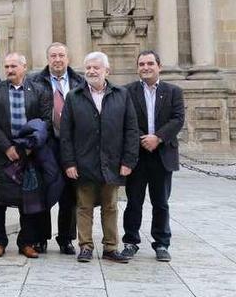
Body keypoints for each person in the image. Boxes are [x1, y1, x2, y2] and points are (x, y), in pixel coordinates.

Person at [60, 51, 139, 264]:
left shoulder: (122, 94)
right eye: (88, 68)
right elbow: (66, 134)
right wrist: (69, 162)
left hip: (112, 162)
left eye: (96, 67)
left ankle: (111, 248)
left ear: (107, 70)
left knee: (110, 207)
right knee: (84, 207)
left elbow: (131, 130)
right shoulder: (74, 96)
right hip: (84, 162)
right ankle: (85, 246)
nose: (91, 71)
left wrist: (128, 161)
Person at [0, 52, 52, 258]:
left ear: (24, 67)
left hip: (29, 154)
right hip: (1, 153)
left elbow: (46, 121)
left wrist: (28, 146)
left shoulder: (39, 90)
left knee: (28, 200)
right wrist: (7, 147)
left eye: (13, 66)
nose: (9, 70)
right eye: (6, 67)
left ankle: (27, 242)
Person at [121, 50, 184, 262]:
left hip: (162, 154)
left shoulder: (174, 91)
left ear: (159, 66)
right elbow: (126, 121)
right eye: (141, 64)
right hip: (137, 156)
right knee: (133, 202)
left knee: (161, 202)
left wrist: (157, 138)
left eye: (149, 63)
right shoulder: (127, 91)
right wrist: (143, 139)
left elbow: (177, 119)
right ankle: (130, 241)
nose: (145, 67)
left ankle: (162, 243)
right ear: (137, 68)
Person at [27, 42, 85, 255]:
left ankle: (66, 239)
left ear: (68, 58)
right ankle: (41, 238)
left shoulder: (80, 81)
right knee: (43, 191)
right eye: (53, 56)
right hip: (45, 144)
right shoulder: (34, 81)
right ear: (48, 58)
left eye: (61, 55)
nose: (57, 59)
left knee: (69, 194)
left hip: (72, 145)